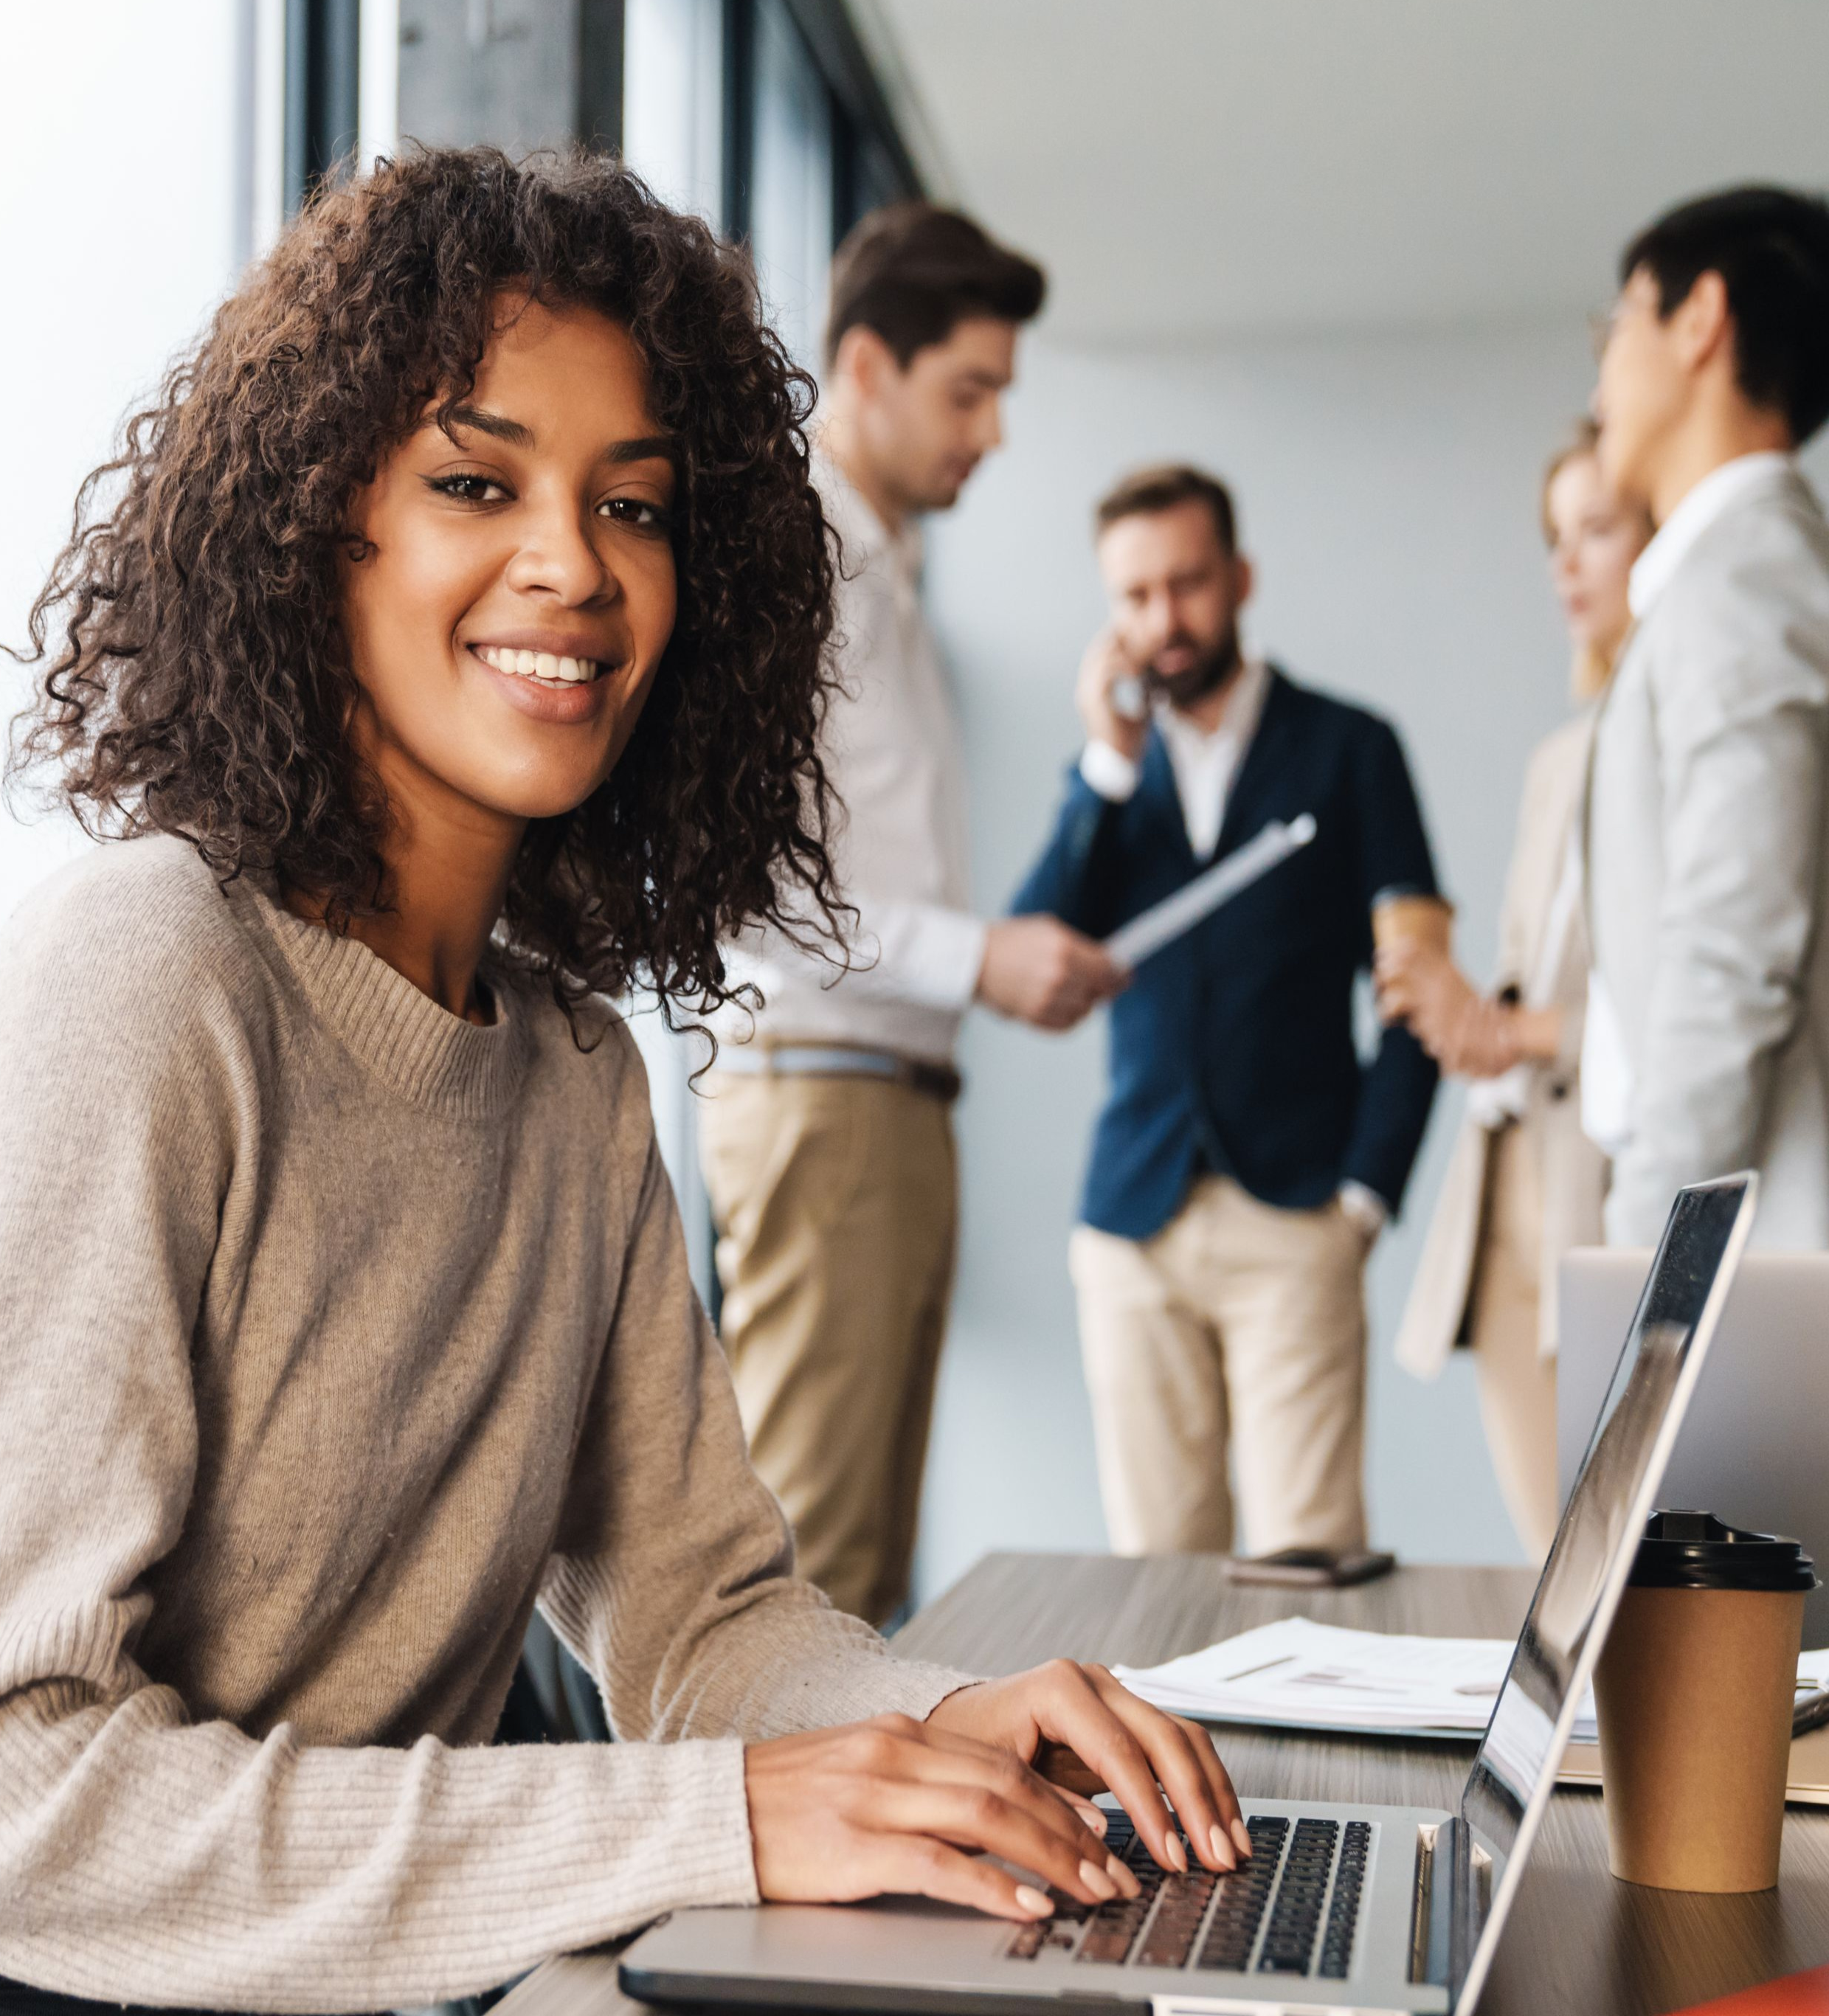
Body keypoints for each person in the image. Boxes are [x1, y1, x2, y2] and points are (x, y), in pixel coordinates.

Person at [0, 152, 1247, 2016]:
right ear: (322, 524)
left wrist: (944, 1731)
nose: (571, 565)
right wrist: (718, 1820)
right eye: (475, 482)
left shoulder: (572, 1073)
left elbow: (700, 1618)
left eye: (632, 505)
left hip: (265, 1961)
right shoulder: (149, 971)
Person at [702, 203, 1116, 1627]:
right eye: (971, 390)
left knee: (858, 1578)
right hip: (829, 1098)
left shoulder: (880, 562)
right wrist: (979, 956)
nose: (993, 431)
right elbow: (745, 890)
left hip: (880, 1100)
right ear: (866, 367)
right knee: (806, 1584)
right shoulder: (804, 551)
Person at [1012, 465, 1441, 1564]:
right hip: (1132, 1222)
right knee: (1158, 1575)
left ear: (1239, 578)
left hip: (1297, 1214)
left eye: (1189, 583)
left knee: (1310, 1563)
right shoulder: (1110, 780)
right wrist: (1104, 769)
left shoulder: (1352, 750)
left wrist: (1364, 1196)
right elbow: (1028, 957)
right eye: (1135, 596)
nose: (1165, 619)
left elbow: (1416, 989)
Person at [1580, 185, 1829, 1253]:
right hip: (1779, 1251)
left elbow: (1733, 948)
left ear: (1700, 319)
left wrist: (1640, 1242)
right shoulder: (1768, 570)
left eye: (1615, 328)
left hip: (1766, 1262)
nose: (1600, 377)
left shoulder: (1747, 579)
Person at [1380, 423, 1648, 1562]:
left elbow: (1690, 1012)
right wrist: (1456, 1003)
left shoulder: (1681, 744)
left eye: (1598, 529)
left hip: (1608, 1192)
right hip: (1502, 1199)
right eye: (1555, 538)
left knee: (1627, 1563)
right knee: (1554, 1562)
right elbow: (1531, 979)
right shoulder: (1560, 758)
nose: (1567, 565)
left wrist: (1513, 1027)